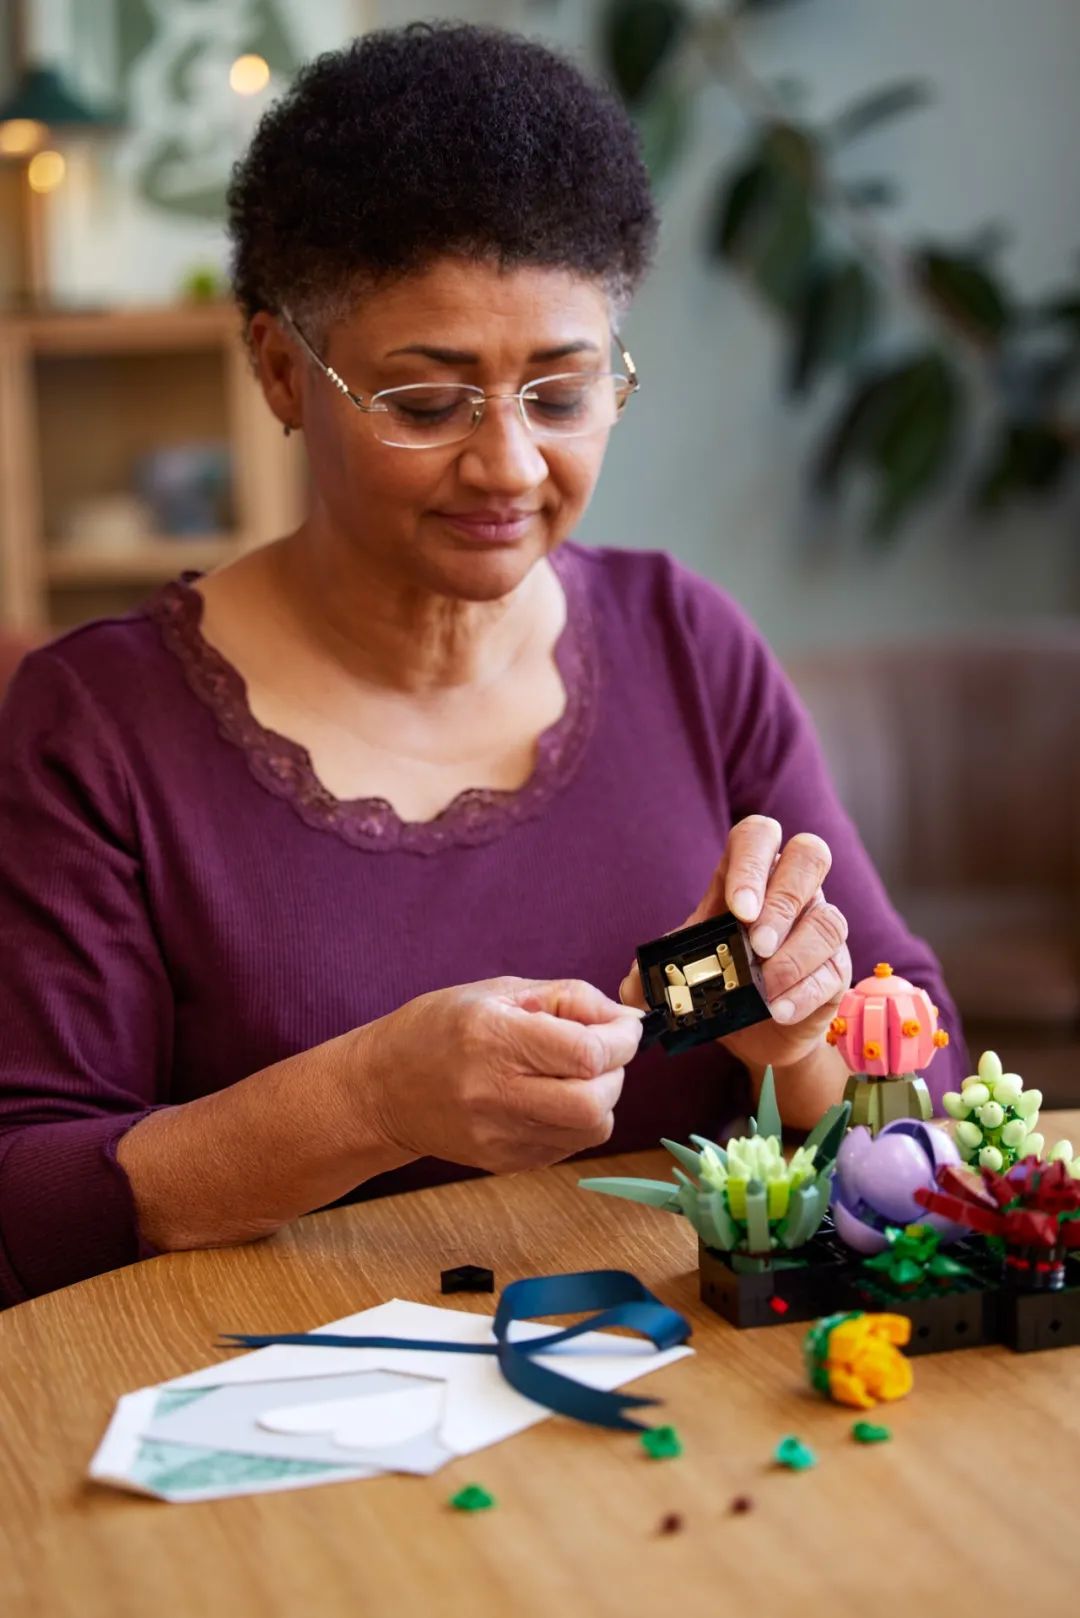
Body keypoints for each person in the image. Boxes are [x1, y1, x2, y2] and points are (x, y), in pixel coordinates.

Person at [0, 23, 965, 1308]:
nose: (509, 466)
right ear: (283, 369)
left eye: (560, 394)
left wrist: (798, 1043)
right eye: (424, 401)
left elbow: (930, 1081)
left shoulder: (690, 645)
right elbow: (29, 1193)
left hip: (686, 1420)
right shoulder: (94, 727)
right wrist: (365, 1099)